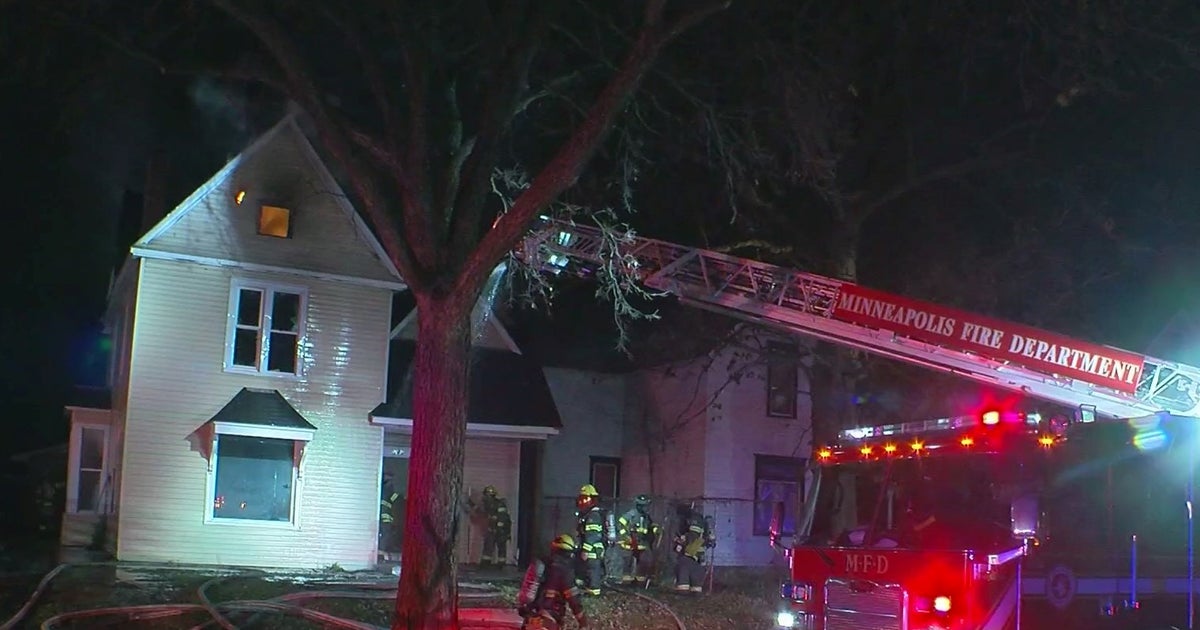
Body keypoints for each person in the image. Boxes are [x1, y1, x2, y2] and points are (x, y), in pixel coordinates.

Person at [517, 534, 589, 629]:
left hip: (530, 617)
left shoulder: (542, 563)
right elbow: (574, 600)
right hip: (548, 620)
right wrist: (583, 623)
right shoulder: (564, 571)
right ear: (569, 553)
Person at [574, 484, 610, 595]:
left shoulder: (594, 515)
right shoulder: (587, 514)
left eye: (585, 499)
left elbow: (593, 535)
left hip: (593, 549)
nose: (582, 502)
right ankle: (587, 587)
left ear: (593, 499)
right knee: (586, 569)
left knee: (593, 569)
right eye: (581, 499)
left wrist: (585, 550)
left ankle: (594, 591)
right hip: (589, 547)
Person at [616, 494, 661, 584]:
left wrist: (656, 530)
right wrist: (625, 536)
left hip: (642, 542)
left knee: (643, 561)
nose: (646, 508)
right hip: (630, 542)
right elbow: (621, 524)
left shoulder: (647, 517)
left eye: (646, 506)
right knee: (628, 560)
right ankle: (626, 580)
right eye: (644, 506)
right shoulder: (631, 514)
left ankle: (640, 581)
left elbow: (651, 526)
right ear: (639, 505)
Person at [673, 502, 715, 593]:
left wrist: (681, 541)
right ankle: (694, 592)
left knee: (683, 569)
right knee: (696, 588)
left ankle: (684, 590)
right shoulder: (699, 520)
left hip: (691, 553)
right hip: (697, 557)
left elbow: (692, 537)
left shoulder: (694, 520)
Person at [379, 471, 403, 561]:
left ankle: (383, 547)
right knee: (387, 532)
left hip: (384, 514)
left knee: (387, 532)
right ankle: (382, 548)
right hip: (385, 515)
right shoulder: (387, 488)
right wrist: (401, 497)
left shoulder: (384, 487)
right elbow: (392, 496)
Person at [483, 498, 513, 567]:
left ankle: (500, 564)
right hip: (495, 530)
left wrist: (500, 528)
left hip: (501, 531)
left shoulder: (499, 507)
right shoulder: (489, 506)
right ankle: (487, 563)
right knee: (489, 546)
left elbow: (503, 519)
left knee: (501, 547)